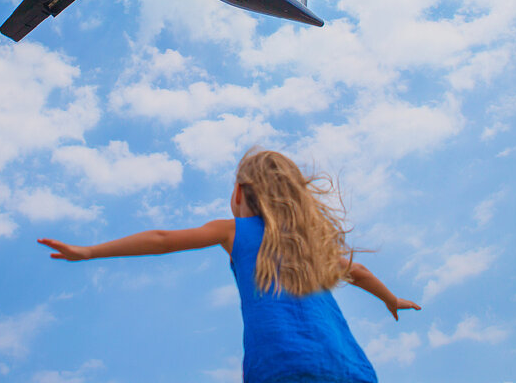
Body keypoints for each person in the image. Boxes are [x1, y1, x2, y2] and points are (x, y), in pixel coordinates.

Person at [38, 149, 420, 382]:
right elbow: (362, 273)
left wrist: (88, 252)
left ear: (238, 193)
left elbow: (162, 240)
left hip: (281, 367)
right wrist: (391, 299)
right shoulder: (312, 248)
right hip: (352, 369)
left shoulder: (235, 231)